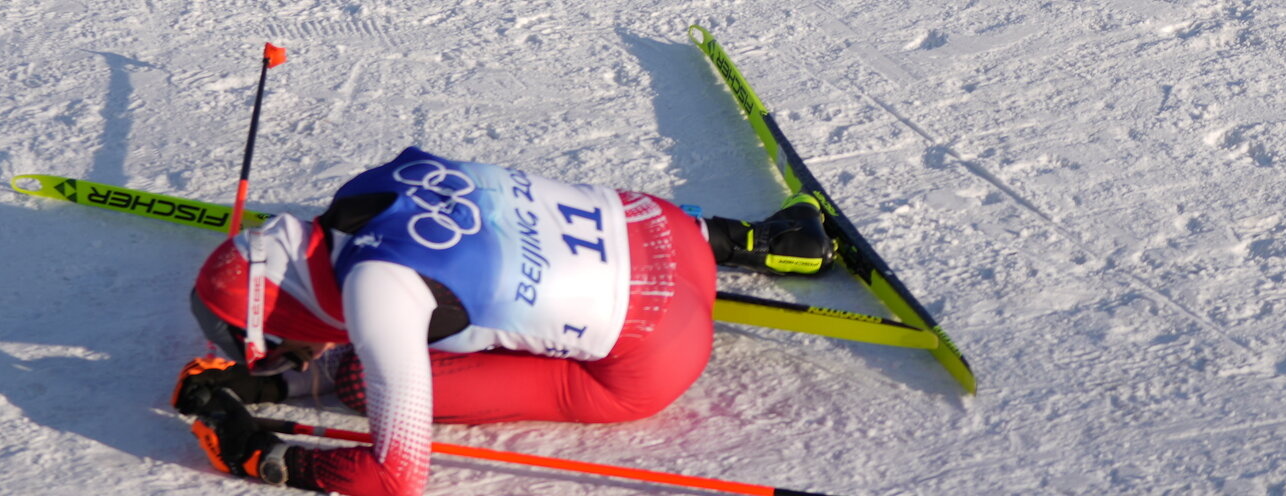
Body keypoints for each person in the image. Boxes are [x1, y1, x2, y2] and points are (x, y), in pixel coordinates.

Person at [171, 151, 834, 491]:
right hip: (665, 230)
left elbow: (397, 478)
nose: (297, 352)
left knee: (358, 387)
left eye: (281, 349)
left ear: (285, 307)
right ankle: (755, 239)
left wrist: (258, 453)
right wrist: (262, 380)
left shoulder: (378, 293)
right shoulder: (359, 193)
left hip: (660, 353)